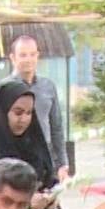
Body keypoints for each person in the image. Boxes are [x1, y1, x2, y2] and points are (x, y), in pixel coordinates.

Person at [8, 33, 70, 182]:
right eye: (23, 55)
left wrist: (62, 163)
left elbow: (56, 127)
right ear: (13, 58)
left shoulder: (48, 86)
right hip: (15, 156)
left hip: (45, 157)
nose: (28, 59)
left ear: (37, 56)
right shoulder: (5, 88)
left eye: (32, 54)